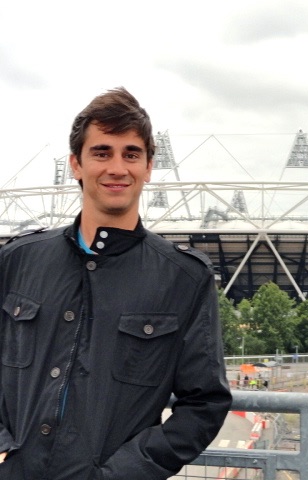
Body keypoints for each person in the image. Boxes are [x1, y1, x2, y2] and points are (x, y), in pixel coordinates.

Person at [0, 87, 232, 479]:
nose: (117, 168)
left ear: (148, 166)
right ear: (76, 163)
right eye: (101, 152)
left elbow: (204, 403)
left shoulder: (184, 278)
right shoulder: (18, 260)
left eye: (131, 154)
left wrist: (125, 473)